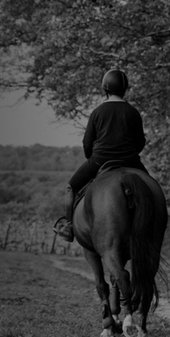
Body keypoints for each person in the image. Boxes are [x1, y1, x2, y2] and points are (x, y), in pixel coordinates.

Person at [53, 69, 149, 242]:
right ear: (125, 88)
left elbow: (87, 143)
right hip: (130, 160)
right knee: (150, 189)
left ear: (105, 89)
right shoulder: (132, 112)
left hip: (100, 160)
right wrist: (130, 155)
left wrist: (91, 157)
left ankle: (69, 227)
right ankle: (153, 225)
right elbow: (140, 142)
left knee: (71, 187)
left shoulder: (98, 112)